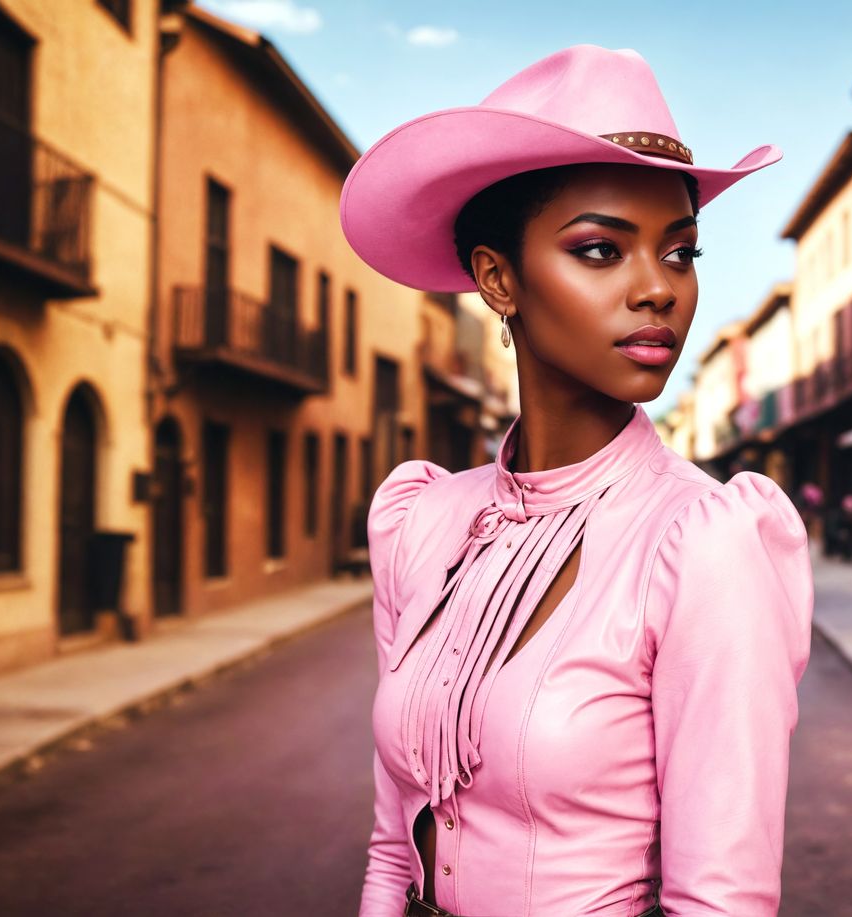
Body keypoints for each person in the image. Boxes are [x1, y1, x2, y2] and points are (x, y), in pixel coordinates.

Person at [343, 46, 810, 917]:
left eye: (680, 253)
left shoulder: (705, 541)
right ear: (497, 278)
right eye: (600, 249)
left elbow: (722, 902)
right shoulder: (420, 522)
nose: (657, 290)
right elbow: (390, 844)